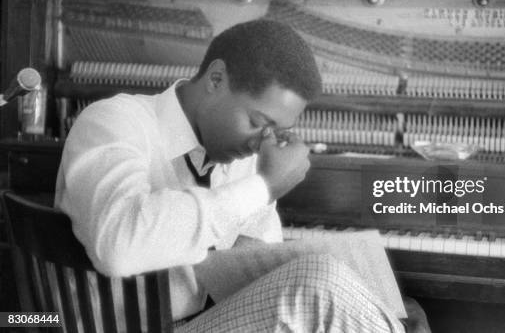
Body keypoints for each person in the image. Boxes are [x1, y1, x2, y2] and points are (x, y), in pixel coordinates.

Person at [55, 19, 428, 332]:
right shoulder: (114, 121)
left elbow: (256, 275)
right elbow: (119, 248)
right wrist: (264, 186)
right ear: (216, 79)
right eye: (257, 122)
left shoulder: (246, 157)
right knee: (319, 285)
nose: (260, 144)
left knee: (403, 310)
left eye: (276, 131)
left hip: (206, 321)